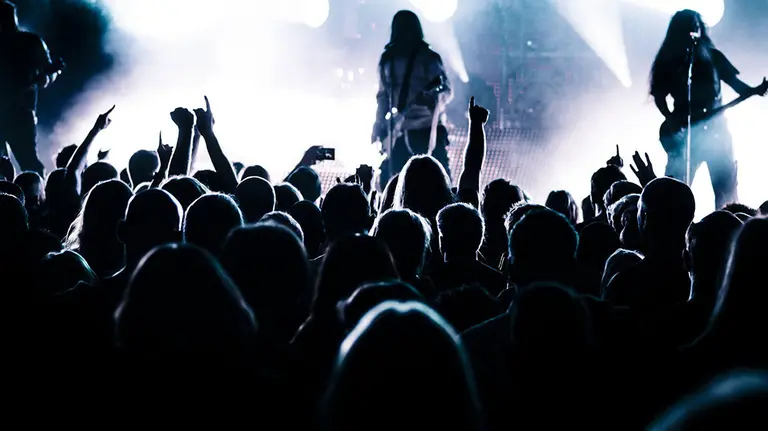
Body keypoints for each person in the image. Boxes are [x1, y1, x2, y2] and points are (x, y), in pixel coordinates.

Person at [650, 9, 766, 209]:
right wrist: (671, 119)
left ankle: (727, 227)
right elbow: (659, 96)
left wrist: (756, 90)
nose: (694, 31)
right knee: (676, 189)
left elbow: (736, 84)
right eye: (689, 27)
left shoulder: (713, 57)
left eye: (696, 26)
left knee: (725, 190)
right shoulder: (670, 61)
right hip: (685, 135)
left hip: (716, 134)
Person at [372, 10, 453, 190]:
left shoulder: (428, 58)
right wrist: (380, 125)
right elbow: (383, 97)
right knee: (392, 183)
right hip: (399, 130)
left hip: (427, 127)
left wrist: (432, 99)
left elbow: (446, 90)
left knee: (438, 180)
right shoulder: (388, 59)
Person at [0, 1, 64, 176]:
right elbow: (49, 72)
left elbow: (48, 73)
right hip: (20, 112)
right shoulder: (30, 42)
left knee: (27, 163)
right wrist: (46, 76)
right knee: (27, 163)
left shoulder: (30, 42)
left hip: (20, 112)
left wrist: (46, 77)